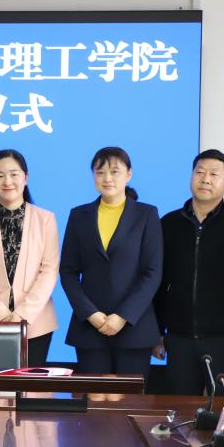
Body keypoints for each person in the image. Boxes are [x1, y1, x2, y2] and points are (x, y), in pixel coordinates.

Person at [152, 149, 224, 396]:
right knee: (178, 411)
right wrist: (156, 332)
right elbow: (158, 282)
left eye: (214, 174)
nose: (205, 179)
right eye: (200, 172)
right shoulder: (168, 224)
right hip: (178, 340)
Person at [59, 147, 162, 377]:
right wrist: (91, 314)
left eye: (115, 171)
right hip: (90, 327)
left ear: (129, 174)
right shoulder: (79, 215)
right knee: (94, 397)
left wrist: (122, 316)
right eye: (100, 172)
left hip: (134, 326)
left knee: (130, 397)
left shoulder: (146, 214)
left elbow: (152, 272)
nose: (107, 178)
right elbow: (68, 271)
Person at [0, 149, 60, 367]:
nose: (7, 181)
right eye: (0, 175)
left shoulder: (45, 219)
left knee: (29, 385)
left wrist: (21, 316)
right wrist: (1, 316)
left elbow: (49, 270)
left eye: (14, 174)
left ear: (25, 177)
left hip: (36, 323)